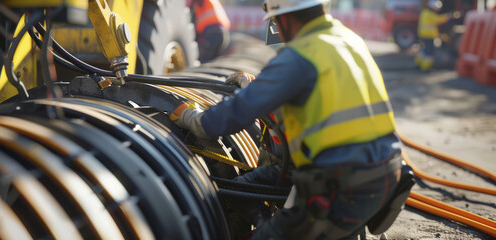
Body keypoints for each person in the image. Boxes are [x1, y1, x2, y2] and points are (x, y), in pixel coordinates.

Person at [170, 0, 404, 239]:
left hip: (341, 185)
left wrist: (191, 117)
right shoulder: (349, 39)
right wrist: (259, 86)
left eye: (275, 24)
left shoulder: (300, 55)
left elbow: (229, 117)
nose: (277, 32)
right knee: (242, 191)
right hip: (387, 172)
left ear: (285, 19)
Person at [415, 0, 451, 71]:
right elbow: (438, 20)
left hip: (423, 35)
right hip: (429, 36)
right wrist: (447, 16)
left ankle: (418, 64)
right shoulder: (430, 14)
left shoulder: (424, 12)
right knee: (429, 53)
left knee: (424, 51)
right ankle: (425, 68)